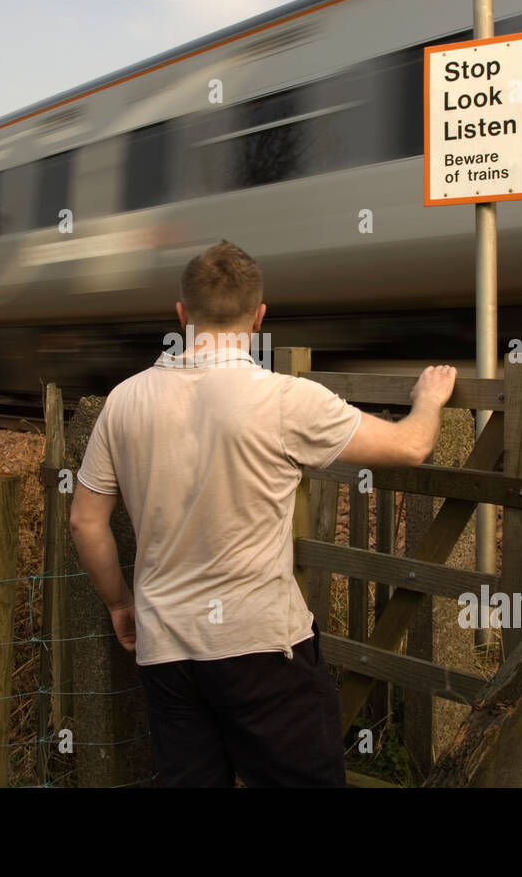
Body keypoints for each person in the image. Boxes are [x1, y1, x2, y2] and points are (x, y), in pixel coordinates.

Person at [69, 240, 457, 787]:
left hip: (167, 653)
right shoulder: (285, 399)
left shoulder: (124, 401)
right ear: (258, 318)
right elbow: (409, 448)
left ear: (181, 315)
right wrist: (430, 400)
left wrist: (119, 604)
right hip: (264, 651)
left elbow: (85, 522)